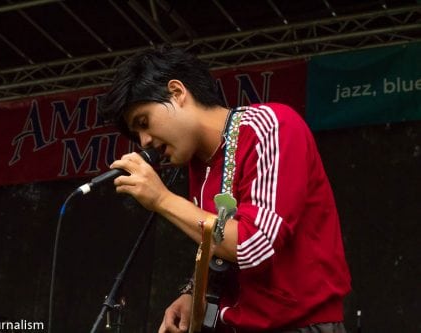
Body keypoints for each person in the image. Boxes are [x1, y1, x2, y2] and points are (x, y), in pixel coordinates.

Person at [98, 46, 351, 333]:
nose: (143, 141)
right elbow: (220, 247)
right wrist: (193, 294)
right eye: (136, 134)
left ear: (177, 92)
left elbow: (252, 245)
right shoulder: (198, 165)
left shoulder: (270, 126)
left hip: (300, 325)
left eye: (143, 122)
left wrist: (162, 199)